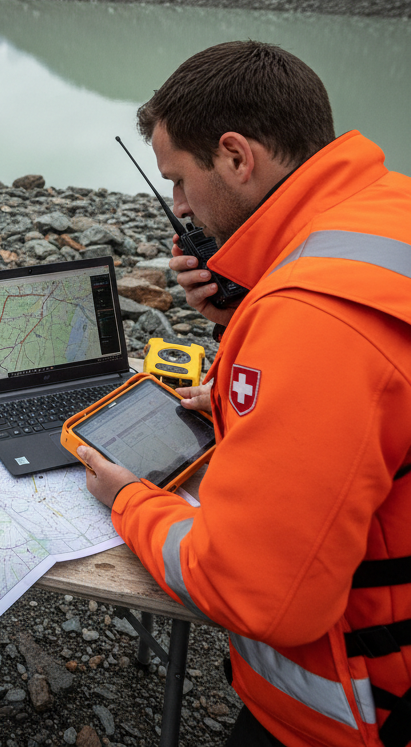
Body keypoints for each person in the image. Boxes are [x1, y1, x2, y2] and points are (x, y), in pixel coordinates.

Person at [78, 42, 411, 746]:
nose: (179, 208)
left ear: (235, 157)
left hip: (360, 720)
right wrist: (241, 339)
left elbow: (260, 596)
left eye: (178, 180)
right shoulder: (384, 209)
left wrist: (131, 498)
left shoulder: (311, 318)